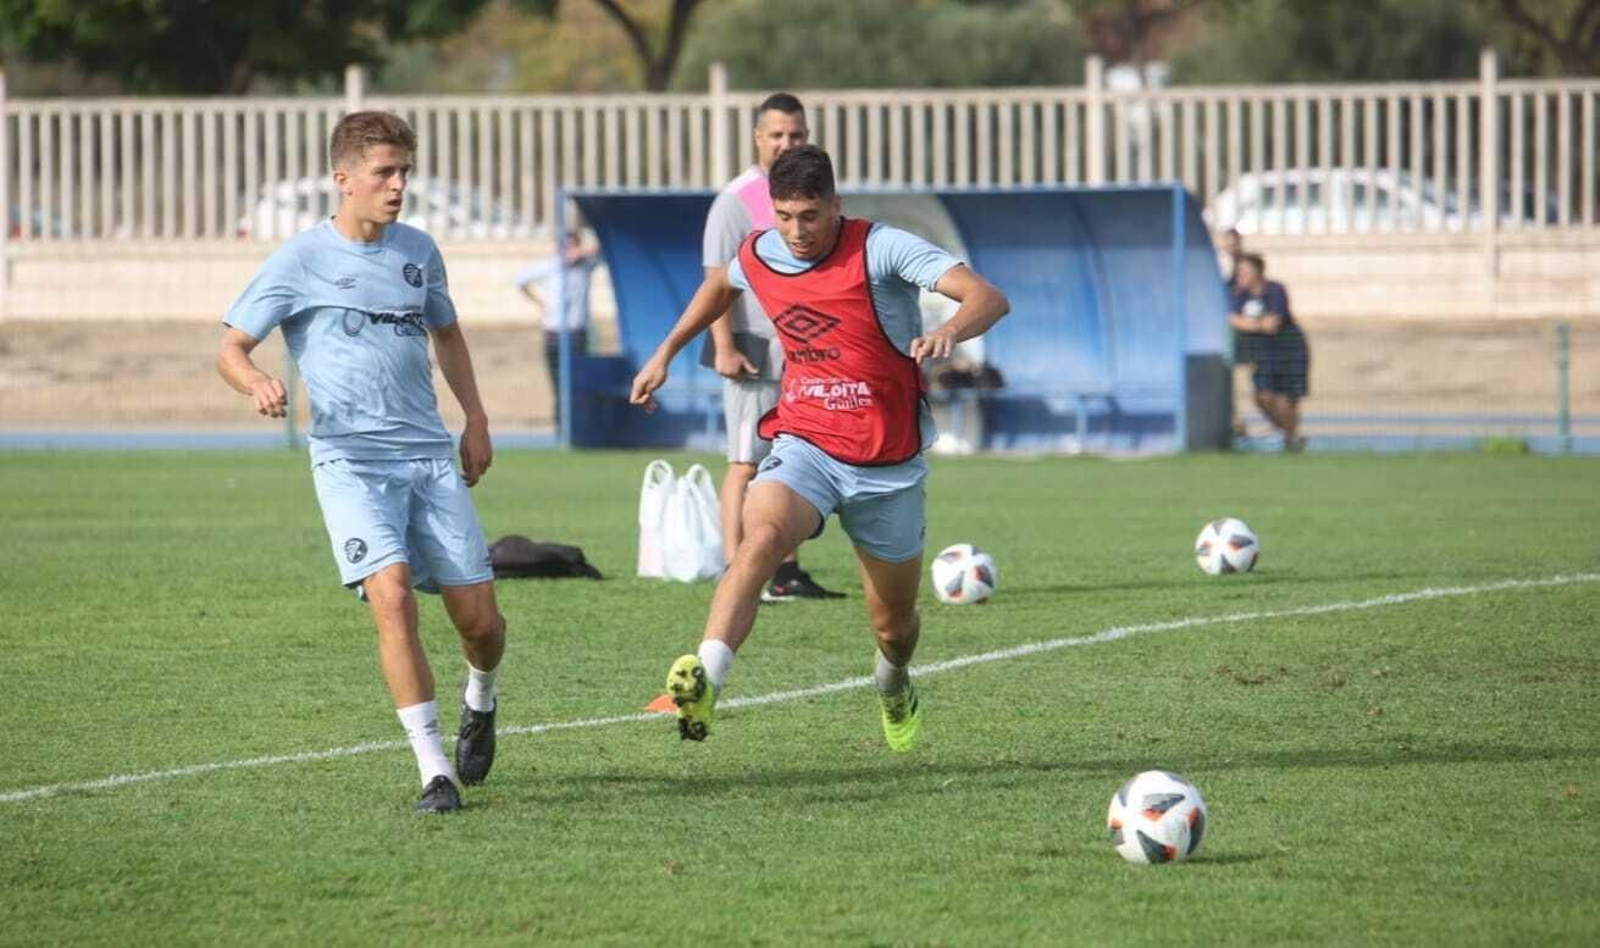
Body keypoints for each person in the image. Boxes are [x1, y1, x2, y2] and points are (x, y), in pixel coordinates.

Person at [631, 145, 1009, 752]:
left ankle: (893, 683)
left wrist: (947, 330)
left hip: (888, 464)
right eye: (784, 215)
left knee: (894, 625)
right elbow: (719, 286)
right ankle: (707, 677)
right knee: (761, 536)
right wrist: (664, 354)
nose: (796, 231)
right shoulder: (761, 249)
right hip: (806, 441)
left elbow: (988, 296)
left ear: (835, 205)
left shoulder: (883, 247)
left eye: (809, 215)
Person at [216, 111, 506, 814]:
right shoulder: (299, 260)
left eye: (405, 171)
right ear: (343, 179)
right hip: (349, 461)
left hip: (429, 459)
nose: (399, 185)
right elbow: (230, 348)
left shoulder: (419, 251)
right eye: (384, 172)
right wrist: (255, 381)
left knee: (482, 625)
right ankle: (433, 769)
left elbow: (448, 334)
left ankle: (482, 698)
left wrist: (476, 418)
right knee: (393, 594)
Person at [701, 92, 841, 602]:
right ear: (758, 138)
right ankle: (736, 570)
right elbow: (717, 280)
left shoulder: (809, 192)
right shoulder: (735, 200)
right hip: (753, 352)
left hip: (801, 358)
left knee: (793, 458)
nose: (787, 143)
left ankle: (786, 571)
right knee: (745, 462)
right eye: (777, 135)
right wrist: (723, 346)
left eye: (797, 135)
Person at [513, 229, 601, 427]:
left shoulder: (586, 265)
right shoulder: (551, 266)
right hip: (554, 332)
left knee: (577, 383)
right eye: (566, 247)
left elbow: (601, 251)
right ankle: (562, 427)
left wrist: (584, 252)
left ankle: (579, 425)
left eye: (573, 246)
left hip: (577, 333)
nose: (569, 252)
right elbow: (520, 280)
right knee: (558, 384)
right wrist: (540, 303)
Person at [1229, 252, 1310, 451]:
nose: (1241, 276)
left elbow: (1273, 324)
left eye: (1245, 271)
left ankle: (1291, 441)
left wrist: (1247, 324)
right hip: (1263, 352)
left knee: (1289, 400)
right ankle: (1290, 434)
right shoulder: (1240, 295)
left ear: (1258, 272)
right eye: (1239, 272)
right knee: (1263, 397)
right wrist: (1257, 325)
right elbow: (1232, 319)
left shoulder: (1275, 290)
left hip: (1289, 349)